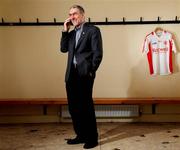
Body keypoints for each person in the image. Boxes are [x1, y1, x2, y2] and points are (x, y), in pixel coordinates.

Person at [60, 4, 103, 149]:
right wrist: (65, 31)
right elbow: (63, 49)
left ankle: (92, 138)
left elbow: (98, 53)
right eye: (70, 14)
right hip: (71, 75)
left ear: (82, 15)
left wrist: (91, 71)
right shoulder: (71, 34)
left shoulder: (93, 30)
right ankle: (81, 135)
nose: (72, 17)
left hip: (85, 74)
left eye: (75, 14)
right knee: (74, 108)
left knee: (86, 107)